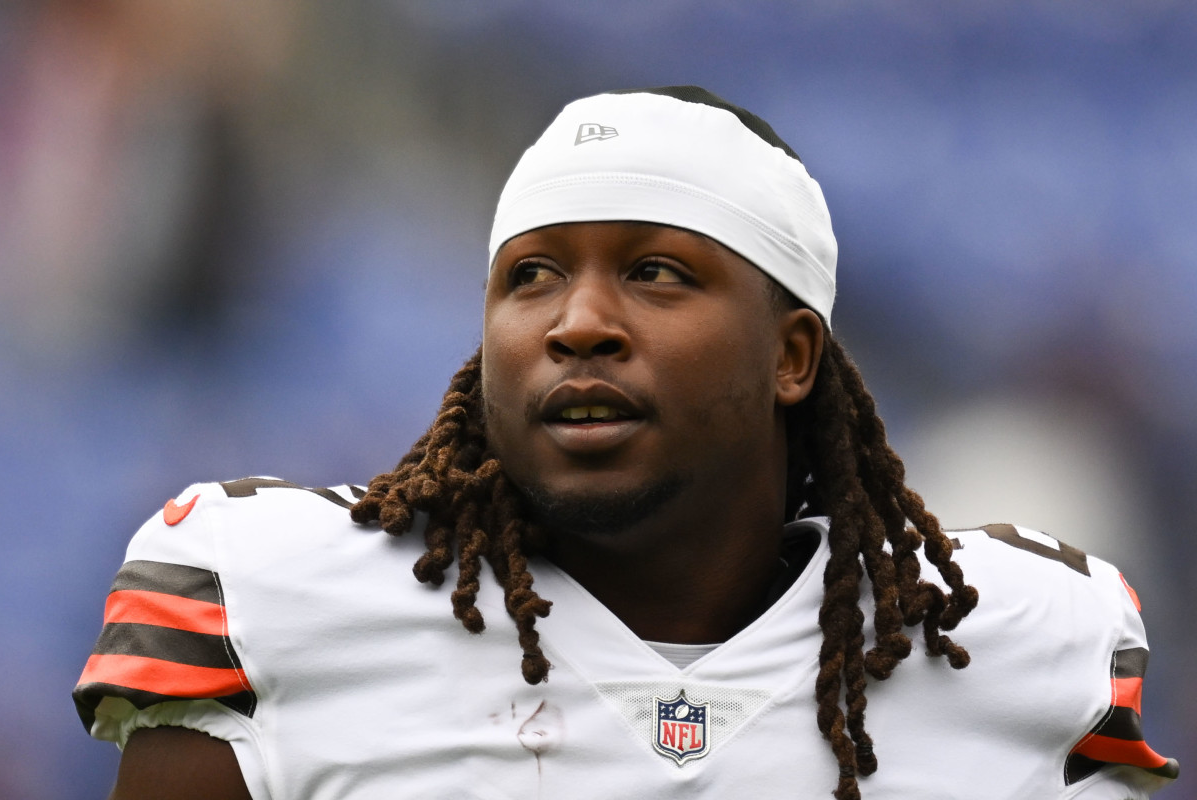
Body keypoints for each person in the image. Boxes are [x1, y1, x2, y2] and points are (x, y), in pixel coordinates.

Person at [74, 86, 1178, 799]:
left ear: (794, 356)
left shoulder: (1025, 645)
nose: (577, 321)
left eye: (656, 271)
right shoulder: (264, 597)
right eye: (531, 274)